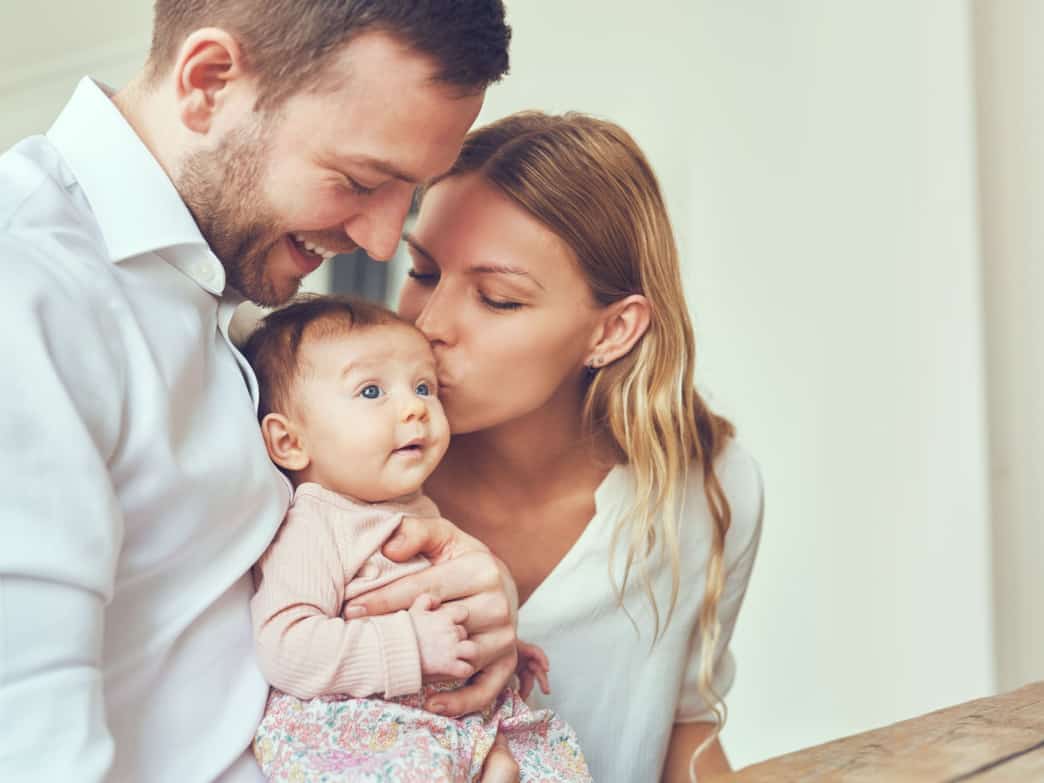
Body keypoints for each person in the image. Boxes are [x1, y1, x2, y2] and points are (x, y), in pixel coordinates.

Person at [0, 4, 518, 781]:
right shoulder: (28, 294)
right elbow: (31, 747)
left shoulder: (211, 291)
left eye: (406, 195)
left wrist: (466, 597)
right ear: (209, 84)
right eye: (360, 180)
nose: (382, 240)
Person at [345, 112, 766, 783]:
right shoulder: (340, 475)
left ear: (614, 329)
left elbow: (683, 729)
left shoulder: (710, 489)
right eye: (422, 269)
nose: (428, 324)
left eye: (497, 298)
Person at [241, 295, 591, 783]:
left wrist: (488, 655)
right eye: (370, 392)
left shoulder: (414, 510)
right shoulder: (315, 525)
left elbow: (435, 610)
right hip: (363, 735)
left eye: (424, 387)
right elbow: (285, 646)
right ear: (290, 442)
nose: (414, 409)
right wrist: (409, 644)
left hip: (439, 720)